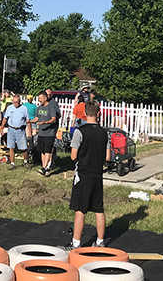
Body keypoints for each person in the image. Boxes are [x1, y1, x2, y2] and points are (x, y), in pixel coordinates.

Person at [68, 101, 110, 248]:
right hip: (97, 174)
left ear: (84, 113)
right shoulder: (104, 132)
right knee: (99, 209)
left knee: (80, 209)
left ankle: (76, 243)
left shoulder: (80, 131)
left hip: (83, 174)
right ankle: (100, 241)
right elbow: (108, 157)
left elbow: (73, 156)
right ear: (99, 114)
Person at [32, 91, 59, 176]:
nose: (39, 100)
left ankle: (45, 167)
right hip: (41, 133)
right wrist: (29, 121)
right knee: (42, 151)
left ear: (45, 98)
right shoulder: (39, 108)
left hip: (49, 133)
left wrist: (46, 122)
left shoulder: (51, 107)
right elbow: (36, 118)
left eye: (40, 98)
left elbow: (54, 119)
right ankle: (44, 167)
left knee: (48, 151)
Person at [0, 95, 31, 170]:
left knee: (24, 147)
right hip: (11, 129)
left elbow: (28, 120)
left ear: (20, 102)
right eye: (14, 102)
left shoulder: (24, 109)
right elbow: (5, 118)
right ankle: (12, 163)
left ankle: (25, 161)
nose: (15, 104)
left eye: (17, 102)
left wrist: (29, 130)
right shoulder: (10, 108)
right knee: (11, 147)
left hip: (20, 130)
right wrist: (1, 127)